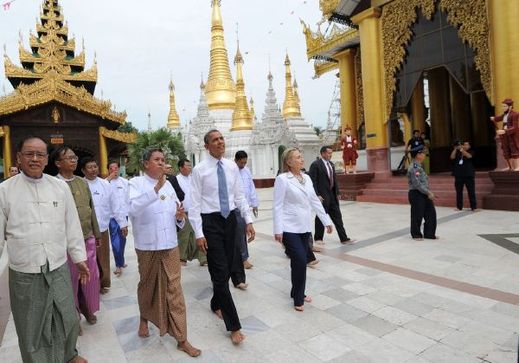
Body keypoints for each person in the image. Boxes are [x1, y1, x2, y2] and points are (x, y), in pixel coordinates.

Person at [0, 136, 89, 363]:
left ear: (47, 159)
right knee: (31, 325)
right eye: (29, 154)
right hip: (25, 270)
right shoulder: (5, 190)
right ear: (19, 158)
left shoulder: (59, 187)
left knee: (66, 316)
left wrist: (79, 257)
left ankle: (69, 354)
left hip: (57, 264)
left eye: (40, 154)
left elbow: (72, 225)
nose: (35, 159)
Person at [128, 148, 201, 357]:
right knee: (147, 286)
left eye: (163, 160)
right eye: (157, 160)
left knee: (175, 291)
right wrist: (155, 190)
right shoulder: (135, 184)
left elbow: (175, 217)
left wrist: (179, 217)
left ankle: (181, 338)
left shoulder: (168, 185)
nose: (161, 163)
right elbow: (132, 210)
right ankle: (144, 317)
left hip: (169, 245)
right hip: (147, 246)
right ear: (145, 164)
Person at [189, 129, 255, 345]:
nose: (220, 142)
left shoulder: (231, 166)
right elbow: (194, 204)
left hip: (230, 221)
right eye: (215, 140)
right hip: (211, 223)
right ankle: (234, 325)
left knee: (227, 268)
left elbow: (239, 196)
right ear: (207, 146)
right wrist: (199, 233)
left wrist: (248, 221)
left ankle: (216, 303)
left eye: (221, 138)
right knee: (219, 272)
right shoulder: (199, 171)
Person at [273, 147, 333, 311]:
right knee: (300, 259)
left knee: (297, 262)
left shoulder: (306, 178)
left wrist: (326, 221)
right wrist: (278, 230)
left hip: (304, 227)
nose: (302, 159)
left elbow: (314, 200)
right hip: (288, 227)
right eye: (298, 157)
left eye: (301, 157)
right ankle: (299, 297)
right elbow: (277, 206)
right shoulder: (283, 179)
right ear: (289, 162)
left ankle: (296, 291)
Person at [53, 146, 102, 326]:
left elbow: (91, 209)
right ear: (58, 163)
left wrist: (96, 233)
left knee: (90, 277)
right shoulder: (53, 184)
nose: (73, 160)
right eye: (69, 158)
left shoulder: (83, 183)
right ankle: (73, 315)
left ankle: (88, 308)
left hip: (86, 237)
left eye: (74, 157)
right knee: (71, 279)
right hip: (66, 242)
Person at [81, 157, 128, 294]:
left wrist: (122, 224)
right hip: (86, 230)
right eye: (89, 167)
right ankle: (90, 285)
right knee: (88, 258)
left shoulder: (105, 184)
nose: (93, 169)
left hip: (102, 228)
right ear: (83, 170)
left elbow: (115, 206)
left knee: (103, 258)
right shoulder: (80, 184)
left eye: (95, 166)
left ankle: (103, 283)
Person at [309, 146, 354, 247]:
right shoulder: (316, 165)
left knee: (338, 217)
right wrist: (317, 195)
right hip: (322, 196)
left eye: (331, 153)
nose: (330, 155)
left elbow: (334, 180)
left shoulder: (331, 165)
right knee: (321, 217)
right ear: (323, 153)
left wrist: (337, 192)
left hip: (332, 196)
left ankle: (344, 238)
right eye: (329, 153)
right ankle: (318, 238)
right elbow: (313, 181)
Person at [175, 158, 207, 267]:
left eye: (190, 165)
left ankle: (203, 258)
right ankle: (181, 258)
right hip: (184, 212)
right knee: (184, 236)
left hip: (196, 211)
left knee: (199, 234)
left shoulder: (193, 178)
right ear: (180, 167)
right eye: (187, 165)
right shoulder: (176, 180)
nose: (190, 167)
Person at [407, 145, 438, 240]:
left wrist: (427, 192)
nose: (424, 155)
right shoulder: (414, 167)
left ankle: (429, 234)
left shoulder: (419, 166)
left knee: (431, 214)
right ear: (417, 155)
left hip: (424, 193)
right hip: (416, 193)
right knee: (417, 215)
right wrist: (428, 192)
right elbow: (417, 184)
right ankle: (416, 234)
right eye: (423, 153)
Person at [234, 150, 259, 270]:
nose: (243, 165)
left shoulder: (247, 171)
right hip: (235, 208)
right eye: (241, 162)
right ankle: (243, 259)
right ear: (236, 160)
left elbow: (251, 187)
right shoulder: (231, 171)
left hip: (246, 206)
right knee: (239, 233)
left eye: (245, 162)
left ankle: (243, 257)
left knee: (242, 233)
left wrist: (254, 204)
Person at [106, 161, 129, 275]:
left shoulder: (125, 182)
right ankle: (118, 265)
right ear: (108, 170)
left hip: (124, 214)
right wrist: (108, 179)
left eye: (116, 168)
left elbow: (128, 199)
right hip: (112, 217)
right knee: (116, 241)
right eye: (111, 168)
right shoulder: (105, 183)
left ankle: (122, 260)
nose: (114, 170)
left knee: (123, 239)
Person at [490, 98, 519, 171]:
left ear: (510, 107)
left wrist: (505, 131)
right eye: (502, 106)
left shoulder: (515, 114)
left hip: (511, 135)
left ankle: (517, 166)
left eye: (505, 106)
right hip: (505, 136)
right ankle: (510, 167)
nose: (503, 108)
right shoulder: (504, 115)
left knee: (514, 150)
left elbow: (515, 127)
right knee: (506, 150)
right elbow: (498, 118)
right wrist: (494, 118)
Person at [450, 141, 477, 211]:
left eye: (466, 145)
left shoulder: (471, 151)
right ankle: (459, 207)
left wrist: (462, 150)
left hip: (468, 175)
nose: (464, 146)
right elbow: (452, 157)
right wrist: (455, 149)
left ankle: (473, 207)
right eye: (463, 144)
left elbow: (469, 156)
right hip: (459, 175)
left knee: (471, 191)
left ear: (469, 146)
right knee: (459, 191)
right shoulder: (458, 152)